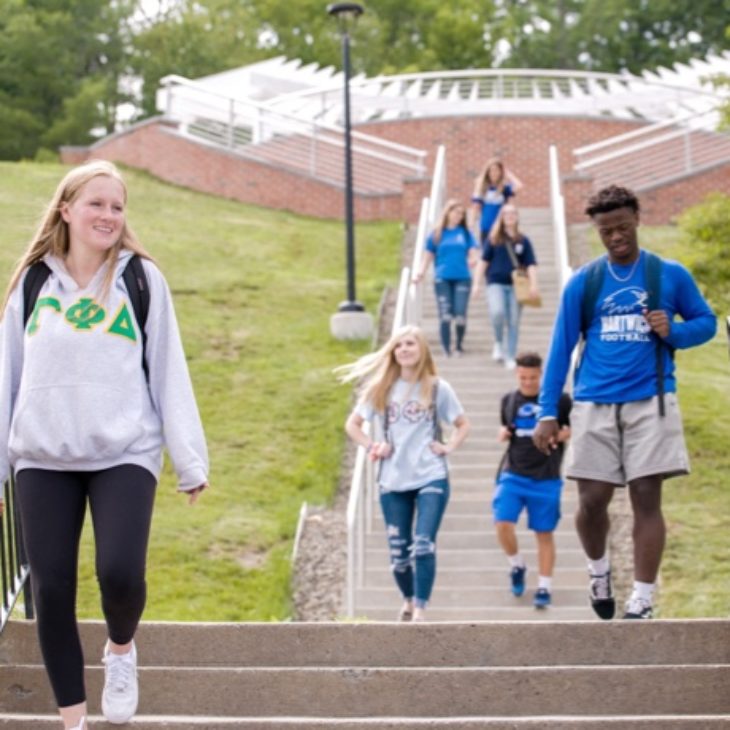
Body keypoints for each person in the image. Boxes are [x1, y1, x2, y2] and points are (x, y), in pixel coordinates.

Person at [0, 160, 209, 730]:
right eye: (96, 204)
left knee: (120, 574)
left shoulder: (141, 279)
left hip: (124, 450)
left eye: (117, 207)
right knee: (53, 588)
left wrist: (189, 458)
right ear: (66, 209)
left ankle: (120, 649)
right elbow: (6, 378)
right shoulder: (32, 284)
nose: (109, 216)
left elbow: (169, 369)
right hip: (42, 456)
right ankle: (74, 721)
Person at [533, 185, 716, 620]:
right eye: (606, 231)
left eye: (622, 227)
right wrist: (545, 412)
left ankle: (643, 598)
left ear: (637, 219)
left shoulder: (668, 274)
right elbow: (561, 349)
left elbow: (706, 323)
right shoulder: (585, 282)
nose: (616, 236)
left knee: (646, 497)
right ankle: (599, 572)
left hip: (651, 400)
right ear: (596, 231)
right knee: (592, 500)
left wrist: (674, 332)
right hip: (594, 402)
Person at [339, 325, 470, 622]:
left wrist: (448, 446)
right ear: (393, 353)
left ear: (422, 349)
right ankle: (408, 600)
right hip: (392, 478)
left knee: (423, 544)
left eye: (410, 344)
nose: (405, 349)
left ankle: (421, 608)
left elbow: (463, 423)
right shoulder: (381, 389)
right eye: (399, 345)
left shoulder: (437, 388)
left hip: (431, 474)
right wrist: (373, 446)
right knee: (399, 555)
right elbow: (353, 425)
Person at [494, 352, 571, 609]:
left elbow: (572, 429)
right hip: (513, 473)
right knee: (502, 522)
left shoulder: (559, 400)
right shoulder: (509, 400)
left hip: (546, 475)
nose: (528, 383)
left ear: (541, 375)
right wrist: (503, 433)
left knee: (544, 533)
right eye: (523, 377)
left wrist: (559, 436)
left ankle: (544, 587)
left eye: (533, 378)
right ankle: (516, 565)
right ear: (517, 374)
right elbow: (507, 427)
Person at [471, 204, 539, 369]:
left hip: (517, 285)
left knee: (514, 321)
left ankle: (511, 355)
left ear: (517, 216)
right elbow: (483, 262)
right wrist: (476, 284)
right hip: (495, 283)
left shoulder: (523, 240)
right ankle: (498, 342)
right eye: (506, 213)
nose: (509, 216)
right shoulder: (493, 239)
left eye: (512, 213)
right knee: (497, 313)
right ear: (501, 217)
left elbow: (530, 264)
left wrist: (534, 285)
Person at [413, 199, 480, 357]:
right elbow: (428, 256)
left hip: (462, 277)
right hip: (442, 278)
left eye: (461, 214)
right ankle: (446, 348)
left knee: (460, 313)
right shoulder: (437, 234)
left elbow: (473, 251)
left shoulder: (465, 233)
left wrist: (473, 259)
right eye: (456, 212)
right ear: (447, 213)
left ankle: (458, 345)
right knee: (445, 314)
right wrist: (420, 273)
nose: (458, 216)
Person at [469, 157, 523, 245]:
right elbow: (475, 207)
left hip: (501, 228)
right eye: (491, 170)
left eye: (497, 170)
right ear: (487, 172)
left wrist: (508, 174)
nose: (494, 173)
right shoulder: (481, 187)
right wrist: (471, 225)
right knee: (486, 255)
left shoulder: (504, 188)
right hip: (486, 227)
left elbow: (519, 186)